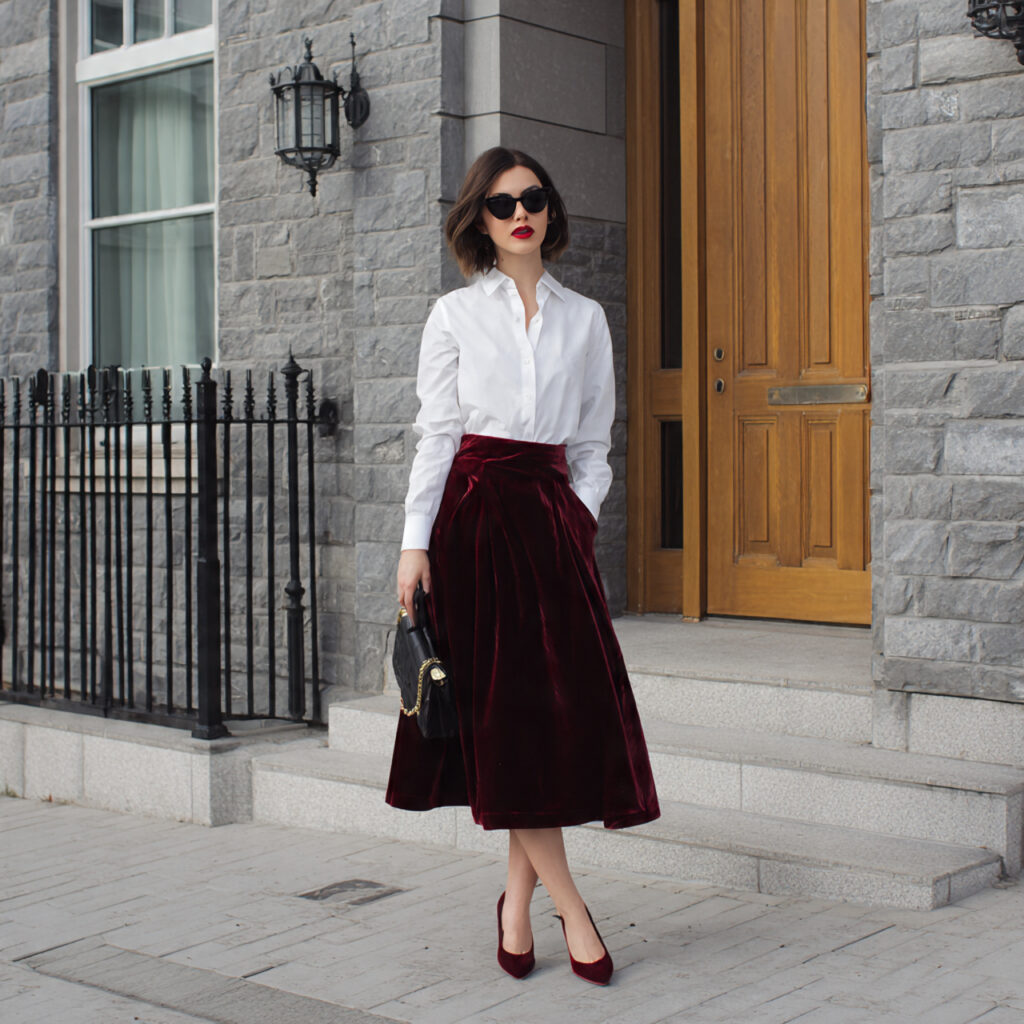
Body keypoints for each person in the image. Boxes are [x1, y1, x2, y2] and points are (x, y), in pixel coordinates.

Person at [385, 146, 660, 986]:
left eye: (533, 199)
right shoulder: (453, 316)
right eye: (501, 206)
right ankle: (572, 907)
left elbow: (593, 445)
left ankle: (515, 902)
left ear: (550, 209)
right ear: (480, 221)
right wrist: (414, 540)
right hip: (474, 528)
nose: (519, 216)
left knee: (545, 721)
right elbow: (437, 436)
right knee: (507, 722)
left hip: (550, 524)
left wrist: (578, 519)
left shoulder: (587, 320)